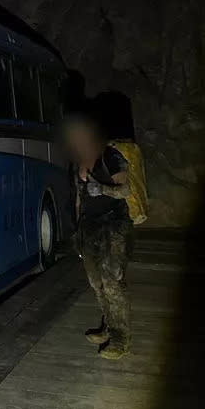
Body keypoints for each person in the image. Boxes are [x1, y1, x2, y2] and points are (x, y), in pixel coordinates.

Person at [64, 115, 133, 359]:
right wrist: (77, 229)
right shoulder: (77, 163)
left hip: (114, 225)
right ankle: (109, 325)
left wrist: (102, 189)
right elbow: (78, 198)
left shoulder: (110, 157)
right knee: (97, 282)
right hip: (90, 228)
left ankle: (121, 338)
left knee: (112, 281)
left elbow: (126, 190)